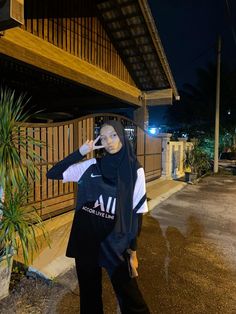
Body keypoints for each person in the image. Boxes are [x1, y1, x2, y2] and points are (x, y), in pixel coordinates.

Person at [47, 120, 150, 314]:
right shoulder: (92, 165)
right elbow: (53, 173)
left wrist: (133, 251)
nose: (109, 141)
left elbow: (137, 211)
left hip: (116, 243)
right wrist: (81, 151)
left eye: (113, 135)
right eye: (103, 137)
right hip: (87, 241)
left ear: (122, 136)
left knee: (131, 298)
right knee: (89, 297)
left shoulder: (135, 169)